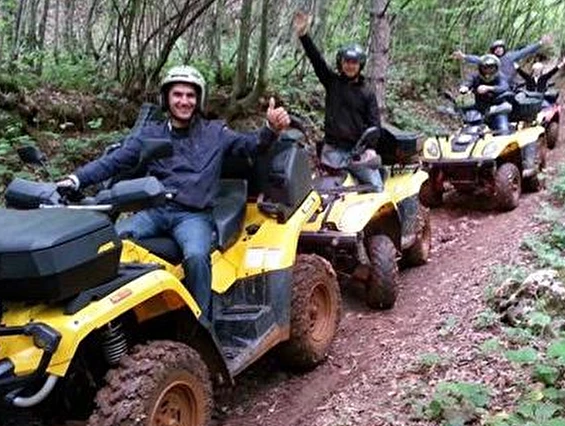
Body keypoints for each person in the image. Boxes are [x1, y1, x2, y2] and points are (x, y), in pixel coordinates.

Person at [56, 65, 291, 321]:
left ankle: (202, 322)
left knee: (196, 257)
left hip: (193, 216)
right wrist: (76, 179)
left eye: (190, 95)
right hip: (155, 212)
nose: (184, 101)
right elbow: (114, 161)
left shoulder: (215, 132)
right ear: (166, 98)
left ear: (199, 100)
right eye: (178, 95)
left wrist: (270, 129)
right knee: (107, 242)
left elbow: (251, 145)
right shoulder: (150, 134)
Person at [293, 11, 383, 191]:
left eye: (354, 62)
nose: (350, 66)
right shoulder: (332, 82)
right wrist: (304, 35)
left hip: (358, 153)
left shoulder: (367, 92)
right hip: (332, 150)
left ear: (360, 65)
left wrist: (370, 148)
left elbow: (375, 125)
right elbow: (317, 61)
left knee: (376, 188)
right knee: (325, 192)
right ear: (341, 63)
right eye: (346, 61)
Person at [452, 35, 553, 86]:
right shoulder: (491, 59)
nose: (499, 50)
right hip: (493, 85)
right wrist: (464, 56)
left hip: (510, 85)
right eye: (496, 48)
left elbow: (525, 51)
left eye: (500, 48)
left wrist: (540, 43)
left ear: (504, 48)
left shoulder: (511, 56)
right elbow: (478, 59)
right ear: (493, 50)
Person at [459, 54, 511, 135]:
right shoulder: (476, 76)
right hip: (480, 108)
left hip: (497, 109)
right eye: (485, 68)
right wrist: (465, 87)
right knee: (470, 127)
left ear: (496, 68)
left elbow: (505, 87)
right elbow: (468, 82)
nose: (488, 71)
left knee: (503, 131)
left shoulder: (500, 77)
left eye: (491, 68)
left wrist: (489, 88)